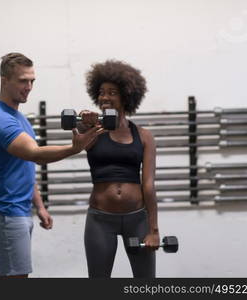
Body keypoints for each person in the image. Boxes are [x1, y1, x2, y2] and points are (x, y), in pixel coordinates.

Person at [0, 52, 104, 278]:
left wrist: (39, 206)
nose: (28, 86)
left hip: (17, 209)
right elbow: (36, 154)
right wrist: (74, 149)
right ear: (4, 81)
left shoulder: (19, 117)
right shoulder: (1, 121)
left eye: (32, 81)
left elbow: (24, 166)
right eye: (22, 80)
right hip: (6, 211)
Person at [78, 59, 159, 278]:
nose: (105, 97)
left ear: (126, 96)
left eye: (112, 92)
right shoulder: (92, 132)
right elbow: (78, 140)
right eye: (102, 92)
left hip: (137, 218)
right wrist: (83, 123)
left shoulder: (144, 136)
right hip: (100, 219)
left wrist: (153, 230)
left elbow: (149, 186)